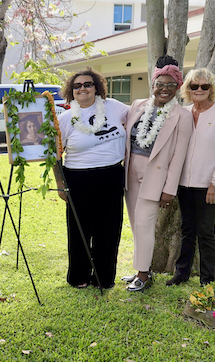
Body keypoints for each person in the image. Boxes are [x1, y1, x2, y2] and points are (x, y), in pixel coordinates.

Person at [122, 55, 193, 291]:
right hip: (130, 171)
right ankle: (142, 268)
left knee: (144, 223)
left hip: (156, 176)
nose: (164, 89)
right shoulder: (137, 105)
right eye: (159, 84)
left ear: (178, 87)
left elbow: (179, 156)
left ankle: (143, 275)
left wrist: (169, 189)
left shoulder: (182, 116)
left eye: (170, 85)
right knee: (135, 223)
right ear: (153, 85)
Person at [54, 68, 129, 289]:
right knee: (79, 230)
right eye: (77, 86)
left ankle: (104, 278)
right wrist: (60, 184)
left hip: (111, 175)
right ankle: (79, 276)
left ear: (97, 87)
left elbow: (139, 114)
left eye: (87, 84)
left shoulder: (114, 106)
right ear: (71, 91)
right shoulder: (66, 119)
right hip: (78, 179)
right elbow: (55, 154)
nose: (83, 88)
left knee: (109, 229)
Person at [166, 68, 215, 286]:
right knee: (187, 229)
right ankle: (182, 273)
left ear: (211, 89)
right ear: (187, 89)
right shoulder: (183, 113)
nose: (199, 90)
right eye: (194, 86)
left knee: (206, 232)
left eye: (204, 86)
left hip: (210, 185)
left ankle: (208, 280)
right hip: (184, 185)